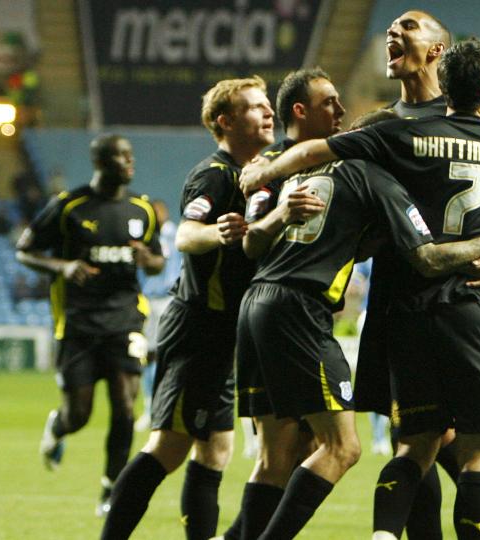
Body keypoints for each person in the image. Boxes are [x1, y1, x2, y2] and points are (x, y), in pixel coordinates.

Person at [240, 37, 480, 540]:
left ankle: (381, 535)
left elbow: (296, 175)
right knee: (475, 452)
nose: (342, 110)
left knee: (412, 445)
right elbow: (474, 234)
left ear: (439, 62)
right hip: (469, 305)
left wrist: (265, 169)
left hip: (397, 312)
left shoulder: (395, 138)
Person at [368, 11, 480, 540]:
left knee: (434, 442)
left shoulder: (461, 120)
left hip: (439, 301)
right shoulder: (380, 128)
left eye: (407, 26)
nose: (393, 32)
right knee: (433, 444)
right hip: (401, 299)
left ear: (437, 51)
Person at [100, 76, 273, 540]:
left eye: (268, 103)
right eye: (256, 106)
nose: (268, 112)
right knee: (169, 447)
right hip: (199, 329)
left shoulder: (262, 172)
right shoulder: (214, 174)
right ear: (226, 121)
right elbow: (184, 235)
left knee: (215, 449)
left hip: (224, 335)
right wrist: (220, 233)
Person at [223, 66, 345, 540]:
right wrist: (282, 213)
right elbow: (251, 244)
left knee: (296, 448)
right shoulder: (271, 165)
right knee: (313, 448)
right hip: (283, 314)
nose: (339, 109)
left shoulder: (334, 158)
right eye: (328, 101)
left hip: (279, 316)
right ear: (301, 110)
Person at [15, 134, 165, 516]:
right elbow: (25, 250)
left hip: (125, 319)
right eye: (119, 155)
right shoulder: (69, 207)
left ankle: (111, 489)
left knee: (126, 408)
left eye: (131, 155)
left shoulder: (143, 209)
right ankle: (58, 426)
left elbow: (158, 260)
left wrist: (150, 260)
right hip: (79, 323)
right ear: (100, 161)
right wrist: (63, 266)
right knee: (79, 414)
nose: (128, 162)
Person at [134, 199, 181, 432]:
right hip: (148, 301)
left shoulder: (176, 235)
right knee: (148, 355)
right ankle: (149, 408)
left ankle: (165, 407)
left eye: (159, 211)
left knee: (167, 355)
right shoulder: (146, 238)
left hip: (169, 299)